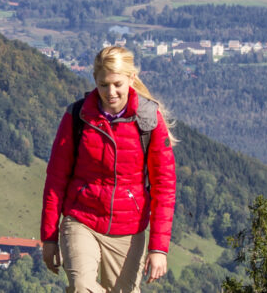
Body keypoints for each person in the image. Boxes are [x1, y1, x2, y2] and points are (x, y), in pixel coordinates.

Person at [39, 46, 176, 292]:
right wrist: (49, 237)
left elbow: (164, 187)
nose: (110, 92)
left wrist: (159, 248)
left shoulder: (149, 120)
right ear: (95, 80)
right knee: (81, 286)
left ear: (131, 79)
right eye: (103, 85)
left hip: (128, 229)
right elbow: (55, 180)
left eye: (117, 84)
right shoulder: (77, 116)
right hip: (81, 219)